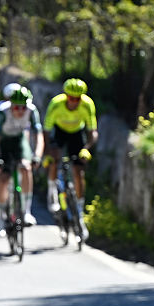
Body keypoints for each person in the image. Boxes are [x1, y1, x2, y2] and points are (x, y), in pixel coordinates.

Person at [43, 78, 98, 240]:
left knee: (78, 171)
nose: (74, 102)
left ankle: (79, 212)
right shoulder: (56, 104)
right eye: (71, 98)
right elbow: (46, 131)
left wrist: (86, 148)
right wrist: (48, 152)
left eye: (77, 98)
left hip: (76, 134)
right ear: (66, 96)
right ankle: (52, 192)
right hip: (59, 132)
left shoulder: (87, 104)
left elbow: (92, 131)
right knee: (55, 159)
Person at [0, 85, 44, 230]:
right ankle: (1, 213)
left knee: (26, 168)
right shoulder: (3, 111)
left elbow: (38, 136)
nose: (20, 111)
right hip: (4, 142)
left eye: (23, 108)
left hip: (19, 140)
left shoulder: (32, 110)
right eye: (16, 107)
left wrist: (37, 155)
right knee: (3, 177)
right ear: (11, 105)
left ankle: (26, 211)